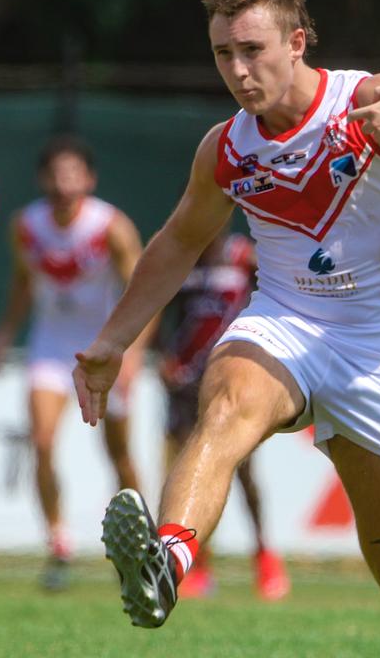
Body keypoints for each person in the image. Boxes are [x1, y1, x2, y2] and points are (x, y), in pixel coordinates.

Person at [74, 0, 380, 657]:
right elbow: (177, 243)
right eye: (223, 54)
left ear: (296, 41)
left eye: (252, 50)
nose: (237, 70)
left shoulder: (373, 97)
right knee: (223, 404)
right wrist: (111, 342)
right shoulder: (226, 149)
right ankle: (168, 564)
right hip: (285, 323)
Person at [0, 135, 145, 591]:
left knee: (120, 456)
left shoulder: (111, 226)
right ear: (42, 179)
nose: (63, 182)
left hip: (102, 350)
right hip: (50, 348)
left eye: (73, 173)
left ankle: (136, 544)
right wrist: (2, 337)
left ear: (89, 179)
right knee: (42, 440)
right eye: (55, 173)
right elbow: (22, 284)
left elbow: (142, 295)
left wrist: (130, 353)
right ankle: (58, 543)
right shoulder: (25, 226)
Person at [154, 230, 289, 600]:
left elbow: (281, 290)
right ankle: (198, 563)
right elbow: (157, 311)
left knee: (243, 471)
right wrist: (162, 356)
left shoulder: (242, 255)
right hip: (184, 379)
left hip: (232, 376)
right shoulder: (180, 256)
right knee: (188, 468)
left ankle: (264, 553)